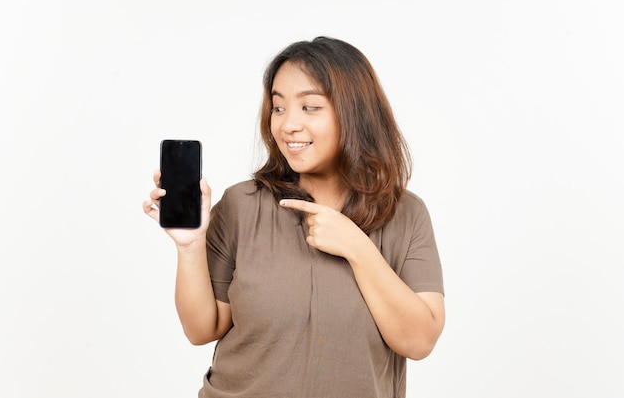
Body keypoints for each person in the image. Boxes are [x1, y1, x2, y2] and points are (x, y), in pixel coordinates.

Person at [143, 36, 445, 398]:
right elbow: (202, 329)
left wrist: (356, 247)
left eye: (310, 107)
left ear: (355, 112)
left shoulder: (406, 214)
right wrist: (190, 246)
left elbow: (419, 341)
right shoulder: (243, 204)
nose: (288, 125)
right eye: (279, 107)